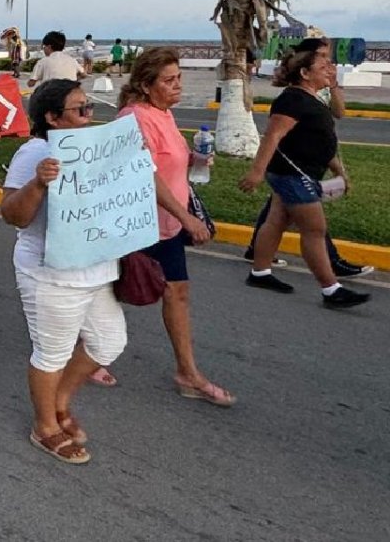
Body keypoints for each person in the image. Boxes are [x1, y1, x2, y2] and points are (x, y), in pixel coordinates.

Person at [0, 78, 128, 465]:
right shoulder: (34, 153)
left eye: (89, 107)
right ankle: (45, 426)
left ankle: (59, 401)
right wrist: (39, 183)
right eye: (80, 109)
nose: (89, 116)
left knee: (108, 343)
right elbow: (12, 215)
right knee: (51, 353)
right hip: (50, 274)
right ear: (53, 118)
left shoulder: (93, 150)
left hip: (95, 270)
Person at [116, 46, 234, 406]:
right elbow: (146, 176)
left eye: (179, 78)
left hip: (165, 224)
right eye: (169, 80)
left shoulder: (163, 113)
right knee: (110, 289)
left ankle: (187, 372)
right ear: (146, 85)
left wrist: (197, 158)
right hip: (139, 224)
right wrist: (187, 220)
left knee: (177, 292)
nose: (178, 85)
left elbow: (170, 163)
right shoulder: (135, 117)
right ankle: (83, 355)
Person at [240, 48, 371, 308]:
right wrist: (256, 172)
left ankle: (260, 273)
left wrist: (338, 170)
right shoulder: (292, 101)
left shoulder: (309, 98)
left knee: (275, 221)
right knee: (314, 230)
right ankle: (331, 290)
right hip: (292, 175)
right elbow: (273, 136)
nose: (329, 70)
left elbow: (318, 140)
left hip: (296, 172)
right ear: (304, 73)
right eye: (323, 68)